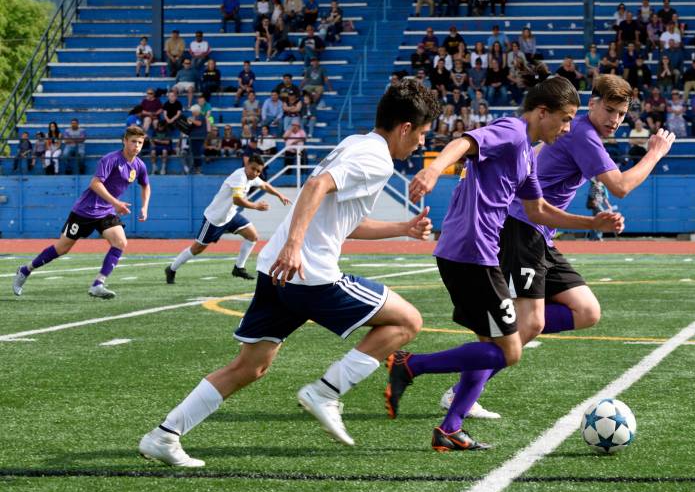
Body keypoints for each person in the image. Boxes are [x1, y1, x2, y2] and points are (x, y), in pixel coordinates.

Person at [139, 79, 441, 468]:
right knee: (407, 321)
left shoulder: (356, 143)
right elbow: (314, 186)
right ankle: (327, 392)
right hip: (309, 273)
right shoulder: (376, 157)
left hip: (275, 271)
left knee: (251, 366)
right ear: (405, 128)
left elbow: (345, 220)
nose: (419, 144)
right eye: (421, 134)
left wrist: (403, 228)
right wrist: (295, 245)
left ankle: (164, 435)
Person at [383, 77, 624, 450]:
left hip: (481, 255)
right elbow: (465, 141)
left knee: (503, 341)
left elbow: (539, 210)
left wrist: (592, 223)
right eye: (564, 119)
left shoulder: (528, 154)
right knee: (510, 348)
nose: (567, 128)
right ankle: (411, 366)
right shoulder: (512, 131)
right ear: (542, 112)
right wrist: (433, 170)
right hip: (471, 253)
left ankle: (448, 426)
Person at [434, 75, 671, 420]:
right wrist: (654, 153)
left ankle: (495, 335)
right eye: (609, 110)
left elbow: (540, 164)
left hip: (540, 232)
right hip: (521, 229)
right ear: (591, 104)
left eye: (621, 114)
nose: (614, 120)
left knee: (586, 311)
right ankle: (462, 389)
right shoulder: (581, 133)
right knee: (527, 325)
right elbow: (620, 186)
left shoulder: (573, 132)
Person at [13, 127, 150, 300]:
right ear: (124, 141)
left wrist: (144, 207)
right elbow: (95, 183)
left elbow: (146, 185)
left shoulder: (139, 165)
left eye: (140, 142)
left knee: (120, 242)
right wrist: (116, 202)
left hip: (105, 212)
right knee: (62, 248)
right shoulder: (111, 159)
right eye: (133, 142)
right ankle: (25, 270)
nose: (136, 146)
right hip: (85, 211)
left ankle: (98, 284)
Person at [166, 155, 291, 284]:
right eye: (253, 169)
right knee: (197, 248)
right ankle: (171, 269)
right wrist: (256, 206)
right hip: (214, 219)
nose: (255, 173)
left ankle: (239, 268)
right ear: (247, 165)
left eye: (259, 171)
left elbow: (264, 185)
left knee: (252, 236)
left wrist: (279, 195)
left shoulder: (251, 177)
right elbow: (237, 200)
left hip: (230, 216)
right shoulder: (240, 177)